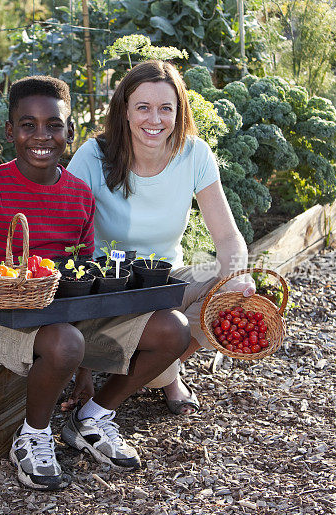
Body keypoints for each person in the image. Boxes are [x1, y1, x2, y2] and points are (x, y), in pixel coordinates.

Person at [0, 75, 191, 491]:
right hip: (5, 322)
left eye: (54, 125)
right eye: (28, 125)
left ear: (70, 131)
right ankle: (32, 436)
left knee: (173, 328)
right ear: (10, 131)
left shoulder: (78, 196)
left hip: (68, 322)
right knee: (65, 341)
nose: (41, 136)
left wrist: (84, 370)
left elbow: (82, 287)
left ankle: (92, 418)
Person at [64, 59, 256, 415]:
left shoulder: (194, 153)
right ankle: (91, 370)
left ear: (178, 111)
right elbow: (62, 237)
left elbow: (229, 237)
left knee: (231, 289)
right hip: (109, 287)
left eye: (165, 108)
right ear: (124, 110)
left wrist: (240, 275)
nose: (155, 120)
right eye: (143, 108)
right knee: (77, 282)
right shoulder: (94, 156)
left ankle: (164, 370)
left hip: (168, 282)